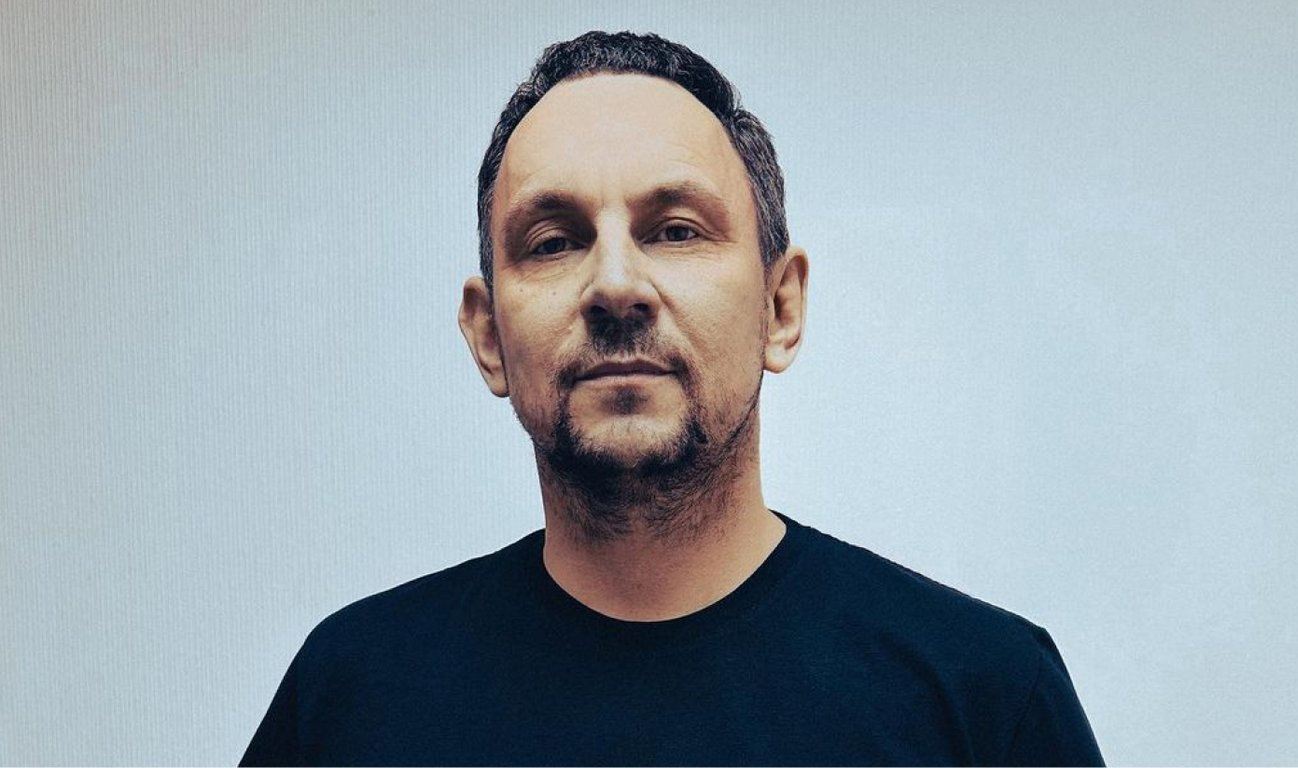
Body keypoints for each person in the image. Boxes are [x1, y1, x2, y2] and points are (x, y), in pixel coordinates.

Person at [241, 31, 1104, 766]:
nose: (616, 285)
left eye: (676, 231)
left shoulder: (988, 699)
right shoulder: (350, 698)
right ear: (488, 334)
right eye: (553, 242)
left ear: (780, 309)